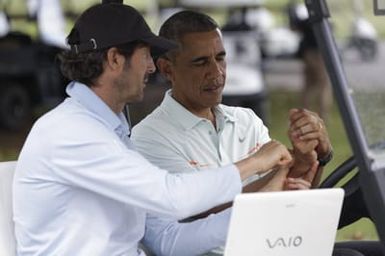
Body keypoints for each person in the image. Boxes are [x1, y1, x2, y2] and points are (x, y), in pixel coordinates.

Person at [12, 3, 294, 256]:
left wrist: (260, 206)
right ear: (114, 59)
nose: (151, 67)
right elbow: (172, 198)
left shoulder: (110, 132)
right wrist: (256, 162)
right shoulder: (71, 132)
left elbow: (166, 239)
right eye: (145, 55)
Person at [131, 10, 333, 255]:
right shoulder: (150, 137)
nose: (216, 72)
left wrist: (313, 157)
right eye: (201, 62)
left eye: (220, 58)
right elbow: (198, 207)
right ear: (167, 69)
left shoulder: (245, 120)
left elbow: (290, 188)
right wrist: (270, 171)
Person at [287, 1, 332, 121]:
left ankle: (303, 113)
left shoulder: (306, 22)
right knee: (323, 85)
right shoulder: (318, 22)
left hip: (308, 55)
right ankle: (322, 114)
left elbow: (294, 27)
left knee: (308, 85)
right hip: (318, 54)